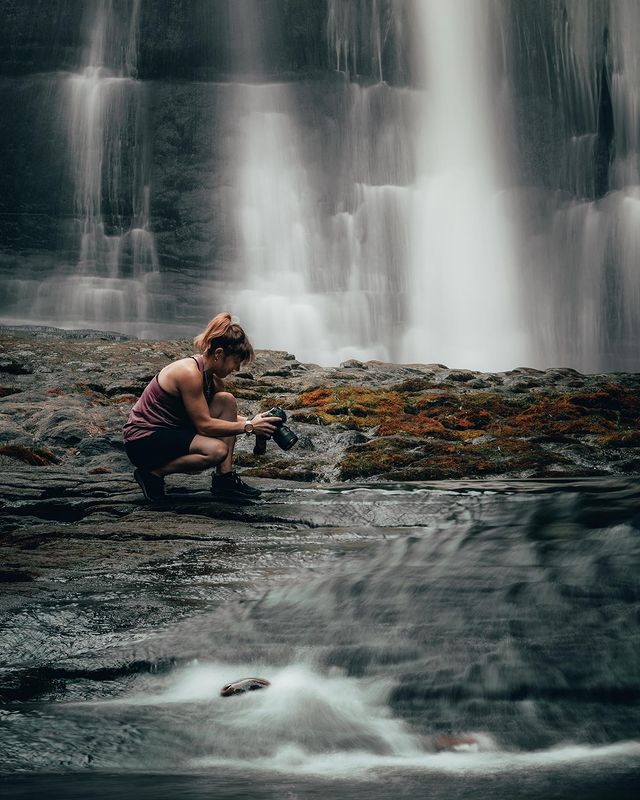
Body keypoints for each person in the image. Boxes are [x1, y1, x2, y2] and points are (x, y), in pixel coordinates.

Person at [123, 312, 280, 502]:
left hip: (171, 431)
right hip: (143, 440)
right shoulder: (188, 372)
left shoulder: (212, 378)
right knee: (216, 451)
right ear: (219, 353)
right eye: (236, 362)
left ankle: (224, 480)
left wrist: (257, 422)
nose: (237, 369)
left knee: (226, 401)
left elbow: (219, 417)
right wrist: (249, 426)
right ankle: (153, 474)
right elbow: (204, 425)